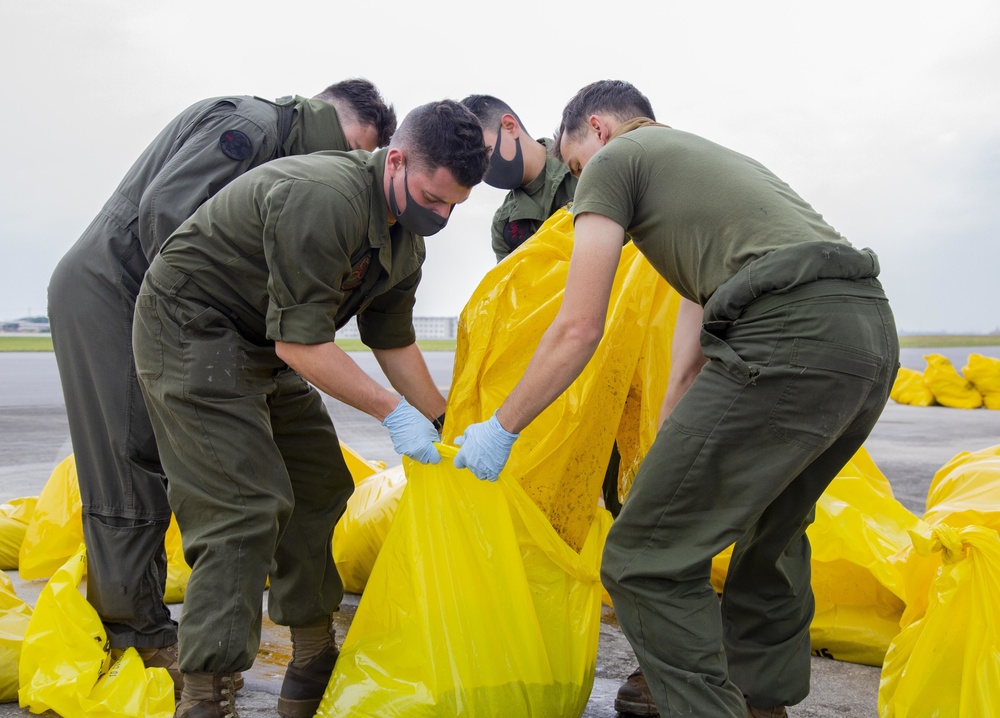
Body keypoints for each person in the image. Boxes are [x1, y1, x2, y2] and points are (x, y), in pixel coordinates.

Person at [453, 80, 899, 718]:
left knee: (641, 560)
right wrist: (672, 431)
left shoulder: (613, 162)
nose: (579, 184)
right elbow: (696, 324)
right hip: (868, 334)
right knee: (772, 530)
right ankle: (760, 702)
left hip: (789, 331)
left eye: (574, 165)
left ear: (599, 130)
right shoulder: (709, 167)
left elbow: (579, 326)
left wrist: (501, 428)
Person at [132, 99, 490, 718]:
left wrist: (445, 423)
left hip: (262, 343)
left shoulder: (407, 235)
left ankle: (311, 654)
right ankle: (205, 693)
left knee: (321, 486)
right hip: (193, 329)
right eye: (434, 198)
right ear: (396, 160)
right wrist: (393, 415)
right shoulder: (326, 197)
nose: (442, 215)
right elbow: (301, 342)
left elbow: (392, 340)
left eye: (455, 205)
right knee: (243, 507)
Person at [46, 78, 396, 699]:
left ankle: (307, 644)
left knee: (302, 472)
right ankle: (140, 636)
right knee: (131, 459)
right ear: (329, 122)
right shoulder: (252, 129)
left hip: (224, 322)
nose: (345, 169)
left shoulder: (310, 175)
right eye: (347, 150)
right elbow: (166, 225)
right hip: (118, 292)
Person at [460, 94, 577, 262]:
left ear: (510, 127)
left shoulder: (581, 164)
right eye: (472, 163)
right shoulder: (504, 226)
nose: (481, 166)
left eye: (483, 153)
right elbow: (516, 285)